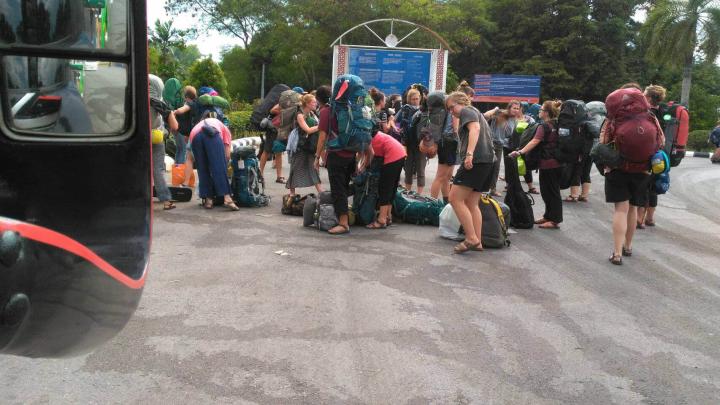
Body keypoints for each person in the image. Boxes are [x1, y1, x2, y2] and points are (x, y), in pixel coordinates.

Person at [598, 87, 664, 265]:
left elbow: (603, 142)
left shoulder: (614, 118)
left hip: (618, 169)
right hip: (642, 170)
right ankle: (628, 246)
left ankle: (617, 253)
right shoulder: (650, 116)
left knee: (621, 209)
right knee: (633, 208)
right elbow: (661, 141)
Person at [445, 91, 495, 253]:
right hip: (488, 161)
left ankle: (471, 237)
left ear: (461, 102)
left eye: (451, 107)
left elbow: (475, 129)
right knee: (471, 203)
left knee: (454, 198)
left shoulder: (467, 111)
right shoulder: (476, 112)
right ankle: (477, 242)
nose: (451, 111)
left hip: (476, 161)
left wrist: (469, 154)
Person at [509, 100, 565, 229]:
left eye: (541, 110)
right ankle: (548, 216)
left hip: (548, 163)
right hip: (557, 163)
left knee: (551, 192)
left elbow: (535, 141)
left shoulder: (544, 126)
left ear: (547, 113)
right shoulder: (557, 124)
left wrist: (520, 152)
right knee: (548, 191)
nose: (539, 111)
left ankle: (554, 220)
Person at [315, 86, 358, 235]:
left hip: (336, 154)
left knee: (338, 190)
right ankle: (345, 213)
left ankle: (343, 223)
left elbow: (322, 137)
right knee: (343, 187)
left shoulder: (326, 112)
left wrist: (317, 157)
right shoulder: (348, 109)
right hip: (351, 154)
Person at [189, 113, 239, 211]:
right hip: (211, 132)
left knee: (202, 169)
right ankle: (227, 198)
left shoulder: (200, 124)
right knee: (219, 166)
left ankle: (208, 200)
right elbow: (227, 155)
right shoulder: (224, 128)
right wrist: (225, 165)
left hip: (194, 136)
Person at [637, 85, 667, 228]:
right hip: (659, 154)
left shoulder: (646, 112)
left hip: (646, 152)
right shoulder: (662, 111)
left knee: (643, 185)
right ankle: (650, 218)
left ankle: (639, 219)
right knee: (653, 185)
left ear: (648, 97)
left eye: (644, 94)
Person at [363, 130, 407, 229]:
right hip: (401, 153)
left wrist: (362, 168)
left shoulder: (369, 140)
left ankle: (381, 220)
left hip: (393, 156)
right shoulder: (378, 135)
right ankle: (388, 216)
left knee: (384, 188)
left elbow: (369, 157)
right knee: (392, 187)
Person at [149, 74, 177, 211]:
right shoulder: (158, 103)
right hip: (156, 138)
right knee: (158, 170)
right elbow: (175, 126)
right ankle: (166, 200)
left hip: (138, 138)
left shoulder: (133, 100)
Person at [286, 94, 323, 196]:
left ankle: (321, 192)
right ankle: (292, 193)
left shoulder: (312, 113)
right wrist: (321, 126)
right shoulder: (300, 115)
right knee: (295, 167)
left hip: (310, 145)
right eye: (313, 102)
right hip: (300, 146)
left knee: (313, 168)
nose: (316, 104)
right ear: (307, 103)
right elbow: (308, 130)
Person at [427, 92, 459, 203]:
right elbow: (455, 129)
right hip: (448, 142)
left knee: (446, 177)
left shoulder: (446, 108)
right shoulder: (452, 109)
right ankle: (432, 204)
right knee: (441, 176)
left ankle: (446, 202)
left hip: (446, 142)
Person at [398, 88, 425, 194]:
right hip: (408, 143)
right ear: (409, 99)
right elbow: (397, 121)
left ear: (420, 98)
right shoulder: (405, 109)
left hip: (420, 143)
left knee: (420, 170)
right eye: (413, 99)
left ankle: (419, 194)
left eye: (417, 99)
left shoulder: (423, 110)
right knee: (408, 170)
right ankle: (407, 192)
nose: (415, 101)